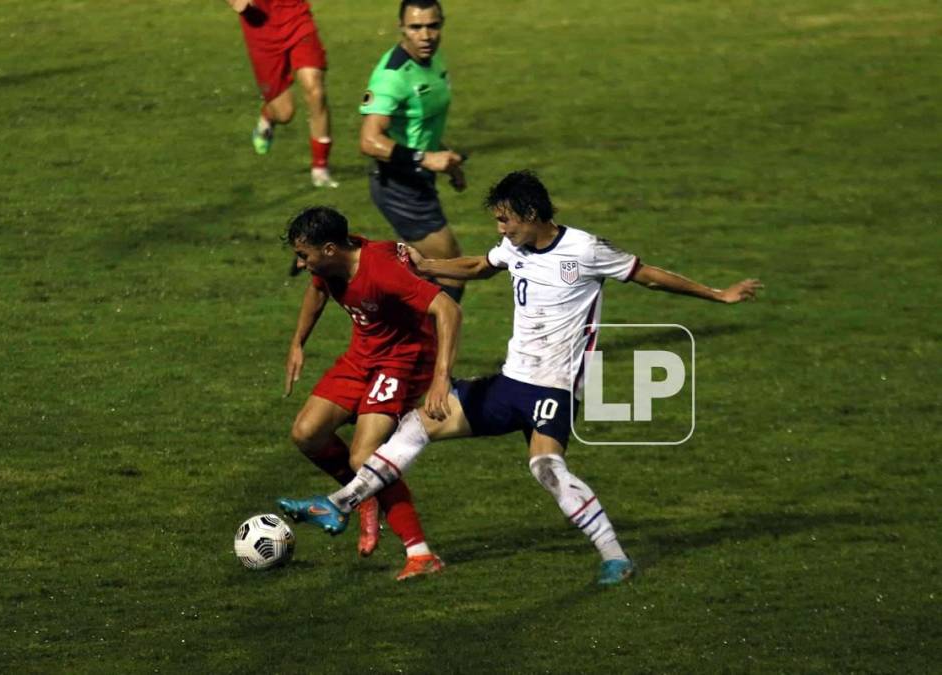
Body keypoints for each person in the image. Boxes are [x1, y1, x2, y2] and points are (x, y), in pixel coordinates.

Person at [279, 171, 763, 586]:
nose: (499, 228)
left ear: (531, 214)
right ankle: (339, 504)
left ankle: (615, 556)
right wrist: (429, 266)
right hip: (511, 382)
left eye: (504, 219)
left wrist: (717, 294)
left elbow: (649, 275)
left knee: (546, 469)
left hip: (554, 388)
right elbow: (478, 266)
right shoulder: (514, 247)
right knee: (416, 424)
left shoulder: (586, 249)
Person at [278, 206, 462, 580]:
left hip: (401, 359)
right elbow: (317, 293)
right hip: (361, 355)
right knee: (306, 433)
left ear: (329, 249)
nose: (300, 264)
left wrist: (442, 377)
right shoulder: (329, 267)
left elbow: (448, 309)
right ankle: (363, 496)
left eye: (304, 255)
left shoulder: (381, 270)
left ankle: (420, 553)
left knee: (364, 454)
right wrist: (298, 342)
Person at [358, 0, 466, 303]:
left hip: (419, 177)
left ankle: (397, 335)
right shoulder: (392, 76)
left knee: (421, 271)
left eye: (433, 26)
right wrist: (426, 158)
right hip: (398, 184)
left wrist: (447, 161)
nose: (426, 35)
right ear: (401, 28)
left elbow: (422, 127)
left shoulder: (433, 60)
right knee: (450, 267)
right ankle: (432, 348)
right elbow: (369, 141)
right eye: (416, 27)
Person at [224, 0, 338, 188]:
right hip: (259, 23)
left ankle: (320, 168)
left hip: (295, 14)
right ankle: (268, 115)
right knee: (284, 113)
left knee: (314, 88)